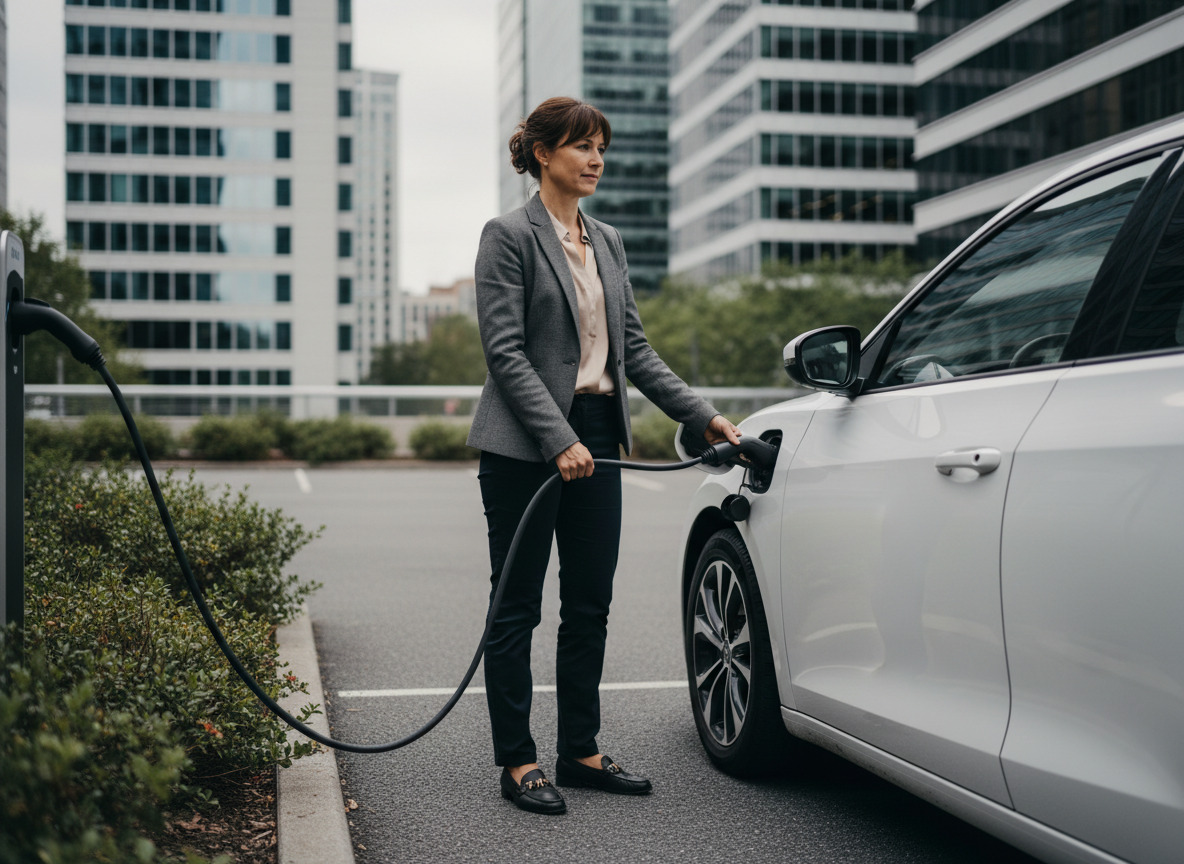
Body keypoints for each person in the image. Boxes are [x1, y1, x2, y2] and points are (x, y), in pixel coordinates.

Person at [467, 96, 741, 816]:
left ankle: (580, 751)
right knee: (516, 606)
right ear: (544, 153)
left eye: (601, 149)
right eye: (583, 146)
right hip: (525, 443)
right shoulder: (507, 236)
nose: (595, 160)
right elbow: (505, 352)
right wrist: (558, 439)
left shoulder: (609, 240)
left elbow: (636, 351)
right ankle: (519, 760)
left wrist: (704, 416)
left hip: (600, 430)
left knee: (589, 602)